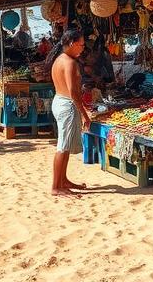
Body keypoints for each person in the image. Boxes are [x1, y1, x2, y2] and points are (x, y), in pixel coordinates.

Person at [48, 28, 90, 196]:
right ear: (72, 44)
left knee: (64, 146)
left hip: (59, 101)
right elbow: (73, 92)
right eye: (81, 45)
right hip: (67, 105)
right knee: (62, 146)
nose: (82, 48)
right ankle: (56, 186)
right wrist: (84, 114)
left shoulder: (59, 60)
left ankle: (63, 180)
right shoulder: (70, 63)